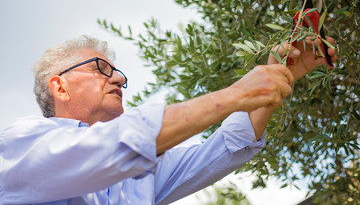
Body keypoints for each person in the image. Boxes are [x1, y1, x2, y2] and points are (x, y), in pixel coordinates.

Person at [0, 35, 337, 205]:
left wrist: (282, 76)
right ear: (59, 85)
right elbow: (112, 146)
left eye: (117, 72)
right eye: (100, 69)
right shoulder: (22, 142)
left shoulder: (134, 177)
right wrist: (238, 93)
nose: (117, 78)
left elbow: (228, 146)